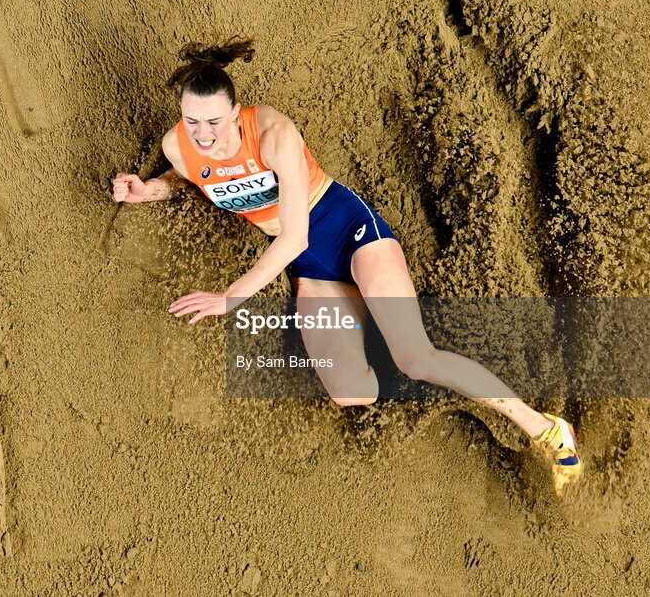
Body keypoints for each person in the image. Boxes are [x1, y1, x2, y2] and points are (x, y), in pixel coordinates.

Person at [111, 38, 582, 496]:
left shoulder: (274, 134)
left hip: (347, 231)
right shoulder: (179, 145)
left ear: (235, 114)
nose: (204, 134)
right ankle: (400, 355)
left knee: (417, 358)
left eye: (214, 121)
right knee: (350, 392)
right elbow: (192, 174)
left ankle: (546, 431)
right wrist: (150, 189)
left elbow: (295, 236)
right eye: (193, 121)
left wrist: (230, 298)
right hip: (310, 267)